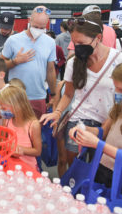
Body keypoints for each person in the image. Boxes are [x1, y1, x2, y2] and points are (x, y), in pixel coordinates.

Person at [40, 15, 122, 166]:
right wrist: (57, 112)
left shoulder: (118, 60)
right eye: (74, 42)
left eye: (81, 43)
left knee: (100, 167)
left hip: (108, 122)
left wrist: (104, 129)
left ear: (98, 38)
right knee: (76, 168)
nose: (77, 47)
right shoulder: (74, 63)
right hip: (79, 121)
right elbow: (69, 94)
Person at [68, 63, 122, 187]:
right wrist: (84, 129)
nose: (117, 93)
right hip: (103, 166)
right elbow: (103, 131)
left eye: (121, 89)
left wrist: (97, 144)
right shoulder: (118, 106)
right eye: (115, 88)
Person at [1, 5, 57, 119]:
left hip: (38, 96)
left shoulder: (50, 42)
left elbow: (50, 70)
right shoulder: (13, 40)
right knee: (15, 131)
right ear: (29, 21)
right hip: (16, 96)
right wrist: (15, 61)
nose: (38, 30)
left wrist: (54, 94)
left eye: (42, 28)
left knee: (37, 131)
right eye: (36, 26)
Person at [0, 85, 42, 171]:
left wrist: (21, 150)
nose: (1, 110)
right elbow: (3, 142)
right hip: (10, 164)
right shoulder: (6, 121)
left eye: (3, 108)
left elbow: (38, 151)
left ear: (17, 106)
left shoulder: (33, 125)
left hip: (28, 167)